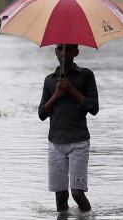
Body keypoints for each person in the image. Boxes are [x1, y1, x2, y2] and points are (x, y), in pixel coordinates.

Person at [38, 44, 99, 213]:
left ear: (76, 52)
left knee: (77, 193)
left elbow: (93, 108)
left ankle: (89, 216)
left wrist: (71, 89)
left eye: (70, 49)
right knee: (60, 198)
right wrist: (56, 95)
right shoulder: (50, 80)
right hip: (55, 143)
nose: (64, 53)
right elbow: (42, 114)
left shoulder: (86, 75)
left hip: (78, 142)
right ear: (55, 52)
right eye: (60, 48)